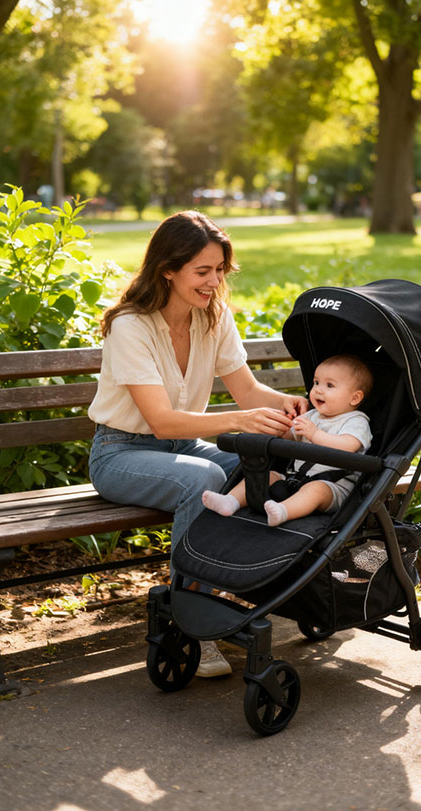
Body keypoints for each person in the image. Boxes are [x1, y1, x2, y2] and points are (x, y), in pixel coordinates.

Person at [87, 210, 307, 677]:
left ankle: (253, 588)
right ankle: (190, 622)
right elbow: (163, 422)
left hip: (182, 449)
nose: (214, 282)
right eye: (202, 271)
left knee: (263, 464)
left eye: (220, 270)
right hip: (120, 453)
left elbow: (247, 391)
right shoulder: (131, 327)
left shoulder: (214, 317)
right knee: (203, 478)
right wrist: (244, 420)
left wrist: (293, 405)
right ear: (168, 269)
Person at [202, 354, 373, 527]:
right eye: (316, 382)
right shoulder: (312, 416)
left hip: (334, 486)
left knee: (316, 490)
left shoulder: (356, 421)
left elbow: (347, 447)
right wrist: (284, 429)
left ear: (354, 398)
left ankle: (283, 511)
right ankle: (230, 501)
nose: (318, 390)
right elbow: (291, 438)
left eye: (330, 385)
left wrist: (314, 434)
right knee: (266, 476)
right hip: (294, 477)